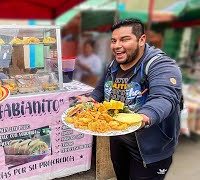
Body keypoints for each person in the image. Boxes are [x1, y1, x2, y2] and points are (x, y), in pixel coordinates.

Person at [77, 18, 182, 180]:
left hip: (149, 151)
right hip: (119, 141)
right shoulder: (113, 65)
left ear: (142, 40)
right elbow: (100, 89)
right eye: (114, 41)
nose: (117, 45)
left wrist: (143, 116)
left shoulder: (161, 65)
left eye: (125, 39)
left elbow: (164, 97)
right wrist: (91, 100)